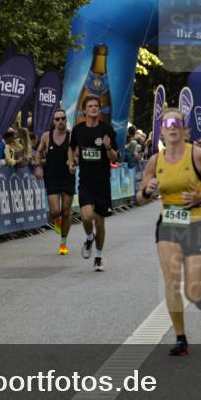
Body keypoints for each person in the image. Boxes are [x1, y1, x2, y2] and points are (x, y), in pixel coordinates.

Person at [137, 108, 201, 356]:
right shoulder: (155, 161)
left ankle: (198, 292)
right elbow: (140, 198)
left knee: (192, 289)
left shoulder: (198, 155)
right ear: (162, 130)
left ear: (185, 130)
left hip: (196, 223)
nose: (172, 126)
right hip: (168, 223)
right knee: (172, 281)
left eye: (177, 121)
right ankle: (180, 337)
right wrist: (147, 191)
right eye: (167, 122)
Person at [69, 96, 119, 272]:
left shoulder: (107, 130)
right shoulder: (78, 130)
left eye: (96, 106)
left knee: (100, 222)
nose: (93, 108)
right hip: (85, 181)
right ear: (84, 110)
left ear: (99, 109)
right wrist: (70, 162)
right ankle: (89, 238)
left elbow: (114, 157)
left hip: (102, 182)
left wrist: (107, 148)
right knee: (86, 216)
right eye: (90, 106)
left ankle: (98, 257)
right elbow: (71, 147)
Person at [37, 107, 76, 255]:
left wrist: (72, 164)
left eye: (63, 118)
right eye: (57, 119)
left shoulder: (72, 136)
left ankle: (63, 244)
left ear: (66, 120)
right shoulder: (47, 136)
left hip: (67, 177)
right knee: (54, 211)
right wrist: (39, 167)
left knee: (66, 211)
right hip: (52, 177)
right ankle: (56, 221)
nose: (60, 121)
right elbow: (39, 152)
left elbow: (77, 156)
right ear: (53, 122)